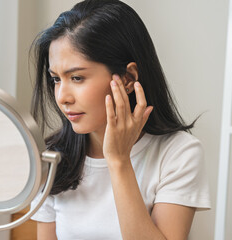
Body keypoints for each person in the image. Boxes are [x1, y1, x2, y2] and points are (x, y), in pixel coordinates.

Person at [29, 0, 211, 239]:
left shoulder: (178, 154)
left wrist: (118, 161)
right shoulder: (53, 160)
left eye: (76, 78)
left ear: (127, 79)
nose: (62, 97)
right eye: (56, 79)